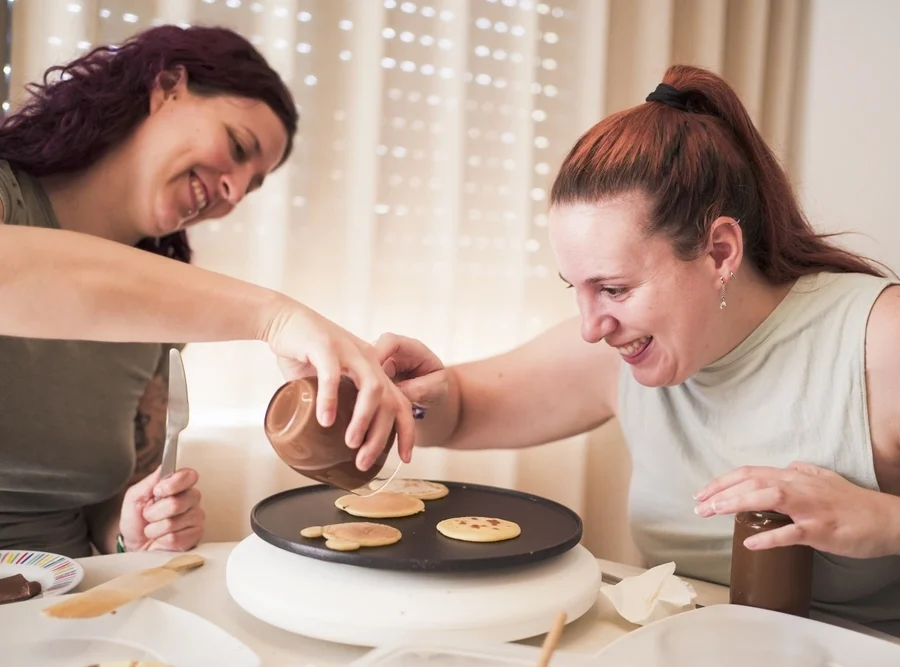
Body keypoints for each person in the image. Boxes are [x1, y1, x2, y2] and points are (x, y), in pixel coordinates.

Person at [375, 65, 900, 635]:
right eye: (573, 288)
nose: (590, 328)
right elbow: (459, 411)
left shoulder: (879, 341)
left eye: (615, 288)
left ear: (720, 251)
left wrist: (885, 520)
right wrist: (398, 396)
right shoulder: (622, 350)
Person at [0, 25, 413, 559]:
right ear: (167, 87)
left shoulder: (160, 320)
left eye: (253, 183)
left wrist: (134, 530)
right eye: (238, 147)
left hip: (60, 601)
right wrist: (275, 317)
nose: (235, 193)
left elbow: (100, 517)